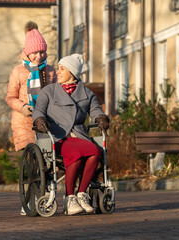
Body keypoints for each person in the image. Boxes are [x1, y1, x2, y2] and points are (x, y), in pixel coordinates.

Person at [32, 54, 109, 215]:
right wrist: (39, 119)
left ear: (72, 73)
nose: (57, 72)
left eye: (62, 69)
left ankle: (81, 194)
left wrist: (101, 118)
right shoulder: (49, 91)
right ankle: (69, 197)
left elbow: (95, 110)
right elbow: (39, 109)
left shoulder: (87, 94)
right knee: (77, 153)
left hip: (78, 136)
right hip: (56, 136)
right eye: (58, 68)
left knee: (95, 152)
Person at [5, 21, 57, 152]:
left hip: (45, 119)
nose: (39, 56)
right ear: (27, 53)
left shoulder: (50, 70)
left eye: (42, 52)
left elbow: (55, 94)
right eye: (35, 53)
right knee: (34, 155)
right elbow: (10, 98)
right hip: (23, 122)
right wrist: (23, 108)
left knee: (48, 155)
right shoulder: (17, 71)